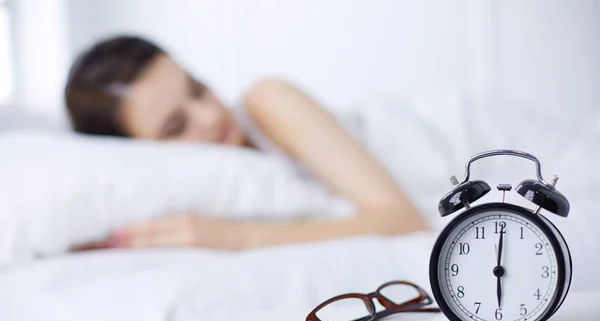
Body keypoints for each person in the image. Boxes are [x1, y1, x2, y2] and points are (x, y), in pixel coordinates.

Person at [65, 35, 428, 252]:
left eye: (198, 88)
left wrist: (238, 238)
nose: (209, 116)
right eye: (176, 126)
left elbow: (404, 219)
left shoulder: (267, 99)